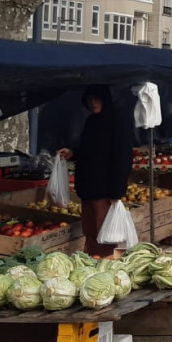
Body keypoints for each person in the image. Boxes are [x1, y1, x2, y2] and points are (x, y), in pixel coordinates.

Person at [57, 85, 133, 256]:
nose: (93, 103)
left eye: (96, 99)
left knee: (104, 233)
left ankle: (106, 263)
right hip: (87, 187)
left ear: (105, 100)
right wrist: (73, 152)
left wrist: (117, 190)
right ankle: (93, 261)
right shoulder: (91, 122)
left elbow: (123, 157)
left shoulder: (118, 122)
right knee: (90, 230)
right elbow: (89, 151)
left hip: (105, 189)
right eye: (90, 99)